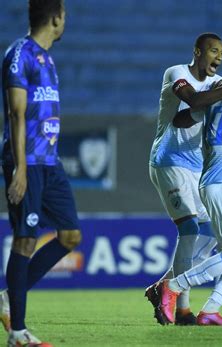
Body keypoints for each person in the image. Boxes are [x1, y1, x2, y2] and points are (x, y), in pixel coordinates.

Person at [145, 33, 222, 326]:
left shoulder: (218, 86)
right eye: (212, 51)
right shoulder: (177, 73)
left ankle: (164, 286)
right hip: (168, 160)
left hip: (198, 168)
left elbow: (211, 108)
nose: (218, 57)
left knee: (209, 235)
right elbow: (190, 102)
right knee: (191, 228)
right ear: (197, 51)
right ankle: (182, 309)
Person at [0, 1, 82, 345]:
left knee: (70, 236)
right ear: (56, 17)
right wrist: (19, 167)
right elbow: (16, 114)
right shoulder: (20, 53)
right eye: (64, 15)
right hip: (29, 162)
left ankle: (7, 296)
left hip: (50, 163)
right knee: (25, 239)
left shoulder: (48, 59)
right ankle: (17, 333)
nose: (65, 21)